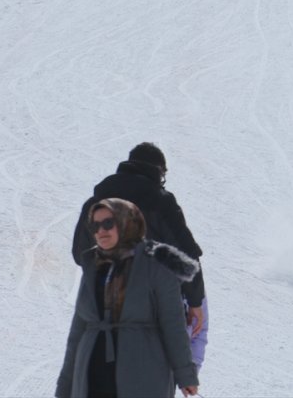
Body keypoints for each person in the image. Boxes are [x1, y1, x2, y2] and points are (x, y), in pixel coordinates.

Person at [56, 198, 200, 398]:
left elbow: (173, 324)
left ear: (127, 223)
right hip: (92, 375)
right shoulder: (93, 265)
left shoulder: (155, 265)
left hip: (141, 373)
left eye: (108, 223)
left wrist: (185, 374)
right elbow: (78, 330)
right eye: (95, 225)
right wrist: (65, 387)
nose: (100, 231)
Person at [72, 143, 206, 340]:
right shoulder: (161, 201)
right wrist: (195, 301)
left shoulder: (96, 202)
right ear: (159, 171)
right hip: (152, 304)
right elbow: (186, 254)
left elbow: (79, 253)